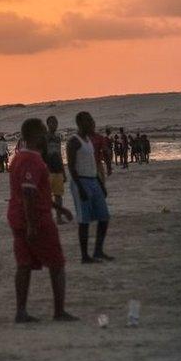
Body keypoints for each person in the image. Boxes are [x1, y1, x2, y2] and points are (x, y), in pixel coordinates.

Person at [7, 119, 77, 323]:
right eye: (44, 133)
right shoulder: (33, 161)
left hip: (18, 217)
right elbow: (28, 193)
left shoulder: (18, 159)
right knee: (57, 263)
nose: (47, 137)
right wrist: (32, 224)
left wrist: (58, 207)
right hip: (36, 220)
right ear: (36, 136)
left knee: (24, 264)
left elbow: (34, 192)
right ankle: (59, 311)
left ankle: (21, 311)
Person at [68, 112, 113, 264]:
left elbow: (93, 165)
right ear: (81, 123)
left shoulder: (88, 140)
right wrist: (80, 188)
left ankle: (98, 250)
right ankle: (85, 256)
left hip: (94, 180)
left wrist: (101, 185)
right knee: (84, 220)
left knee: (104, 217)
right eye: (90, 121)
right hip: (80, 182)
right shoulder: (74, 141)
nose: (93, 124)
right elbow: (72, 167)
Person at [44, 117, 74, 224]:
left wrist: (64, 171)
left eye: (56, 123)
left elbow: (60, 154)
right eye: (52, 123)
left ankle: (59, 217)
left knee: (58, 195)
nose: (54, 125)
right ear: (47, 124)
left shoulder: (57, 138)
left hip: (57, 169)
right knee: (45, 196)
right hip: (47, 170)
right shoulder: (45, 137)